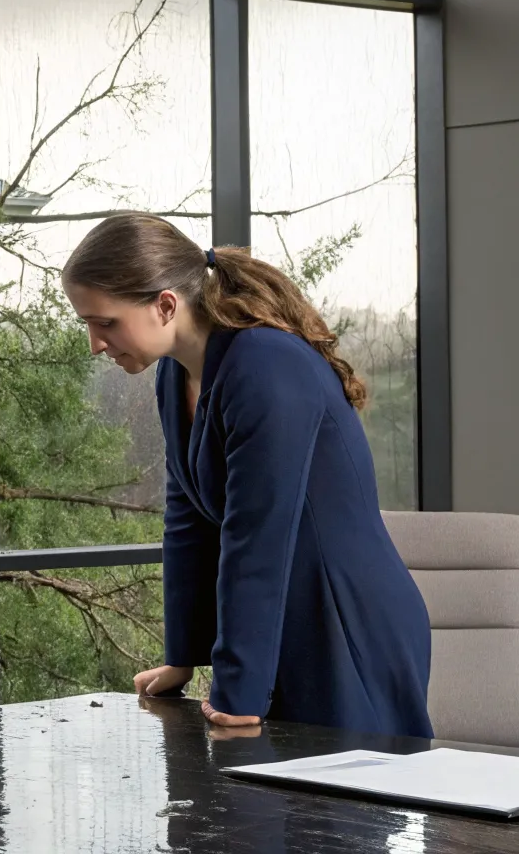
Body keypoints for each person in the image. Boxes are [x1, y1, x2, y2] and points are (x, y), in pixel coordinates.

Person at [60, 212, 432, 738]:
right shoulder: (175, 376)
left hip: (345, 627)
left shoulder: (265, 364)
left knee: (338, 816)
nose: (96, 344)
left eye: (106, 323)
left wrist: (237, 689)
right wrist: (183, 657)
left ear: (165, 305)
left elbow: (256, 535)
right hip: (280, 622)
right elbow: (187, 518)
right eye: (88, 325)